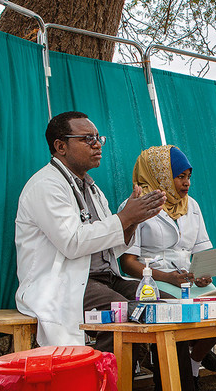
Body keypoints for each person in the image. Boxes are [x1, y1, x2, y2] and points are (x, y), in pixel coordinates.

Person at [14, 111, 165, 349]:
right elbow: (72, 243)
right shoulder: (45, 186)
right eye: (87, 139)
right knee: (130, 316)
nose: (97, 145)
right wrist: (124, 217)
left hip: (105, 280)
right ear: (60, 146)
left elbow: (113, 246)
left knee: (168, 308)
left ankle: (179, 383)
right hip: (67, 282)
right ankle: (102, 383)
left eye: (98, 138)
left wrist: (134, 220)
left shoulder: (93, 189)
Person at [120, 145, 216, 378]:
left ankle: (193, 360)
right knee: (181, 313)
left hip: (187, 279)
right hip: (153, 280)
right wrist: (167, 278)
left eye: (188, 177)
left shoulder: (191, 206)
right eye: (180, 177)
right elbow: (128, 263)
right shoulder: (137, 205)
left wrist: (205, 273)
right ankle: (183, 370)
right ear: (161, 175)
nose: (186, 183)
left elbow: (202, 249)